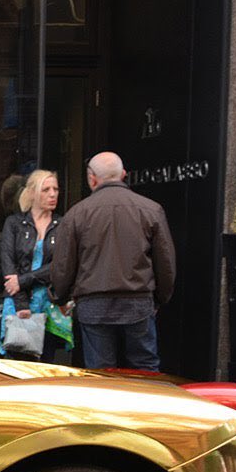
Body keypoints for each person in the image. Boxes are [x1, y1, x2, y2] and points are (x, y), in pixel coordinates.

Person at [49, 151, 175, 371]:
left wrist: (59, 296)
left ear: (92, 178)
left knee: (101, 372)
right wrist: (160, 299)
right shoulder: (151, 210)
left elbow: (63, 265)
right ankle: (145, 406)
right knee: (144, 368)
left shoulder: (77, 213)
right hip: (138, 301)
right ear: (123, 174)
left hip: (93, 303)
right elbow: (165, 262)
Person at [0, 169, 67, 362]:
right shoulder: (14, 224)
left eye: (55, 189)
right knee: (17, 361)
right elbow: (8, 264)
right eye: (46, 189)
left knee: (48, 362)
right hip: (17, 301)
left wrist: (23, 280)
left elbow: (61, 265)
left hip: (49, 302)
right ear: (32, 193)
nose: (53, 194)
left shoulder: (63, 225)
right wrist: (21, 302)